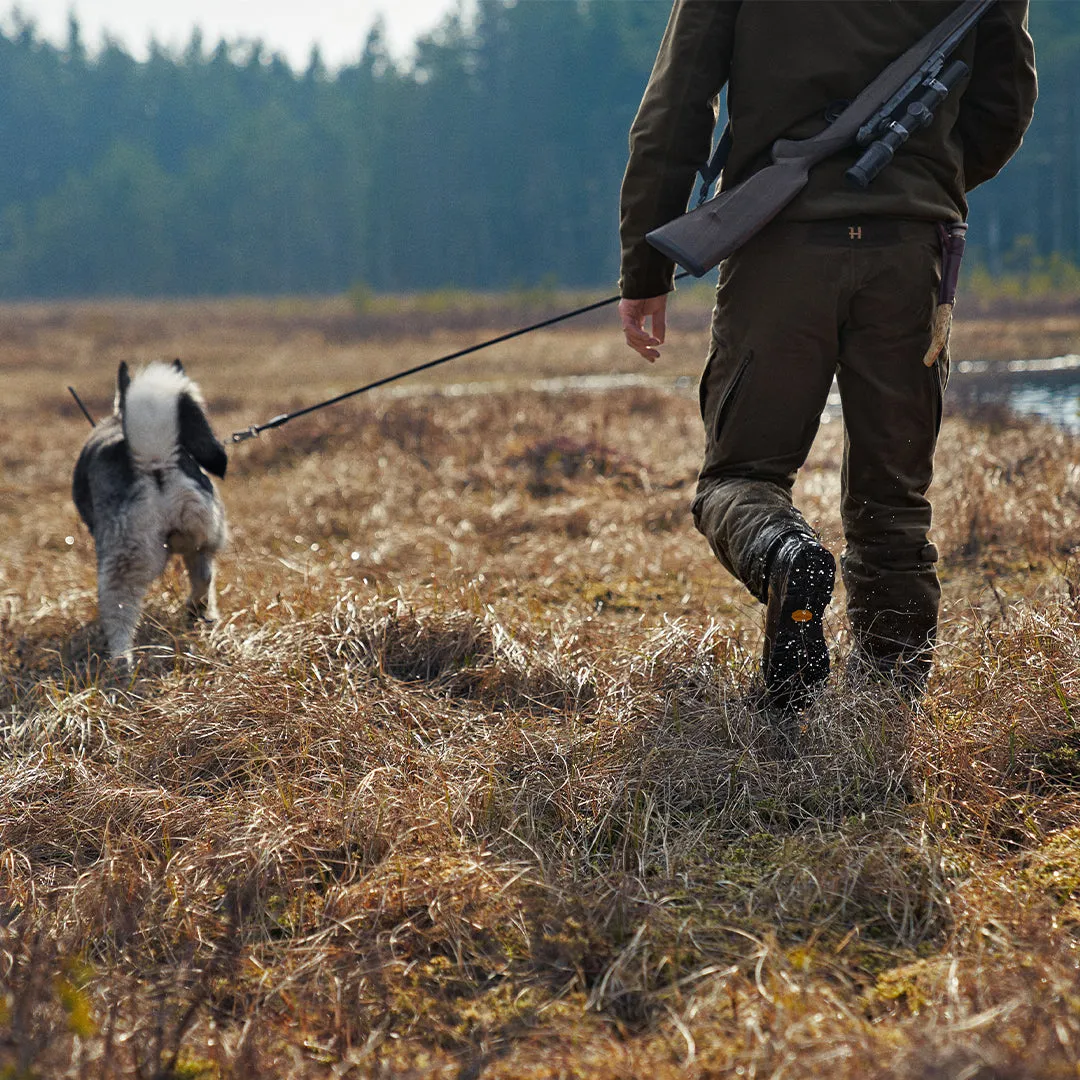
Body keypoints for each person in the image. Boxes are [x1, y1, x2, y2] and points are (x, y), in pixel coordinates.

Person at [618, 0, 1036, 710]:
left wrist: (646, 267)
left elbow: (678, 104)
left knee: (740, 478)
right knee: (894, 504)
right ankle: (885, 714)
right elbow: (1005, 97)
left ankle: (785, 554)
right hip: (912, 255)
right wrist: (923, 182)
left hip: (781, 247)